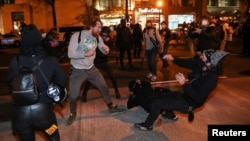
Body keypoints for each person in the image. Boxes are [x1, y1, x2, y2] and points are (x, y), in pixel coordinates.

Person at [134, 49, 229, 131]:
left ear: (210, 62)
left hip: (189, 103)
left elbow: (198, 98)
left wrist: (184, 84)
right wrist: (173, 58)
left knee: (157, 104)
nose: (201, 57)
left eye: (203, 57)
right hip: (185, 95)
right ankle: (171, 115)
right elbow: (188, 63)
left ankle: (147, 126)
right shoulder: (203, 66)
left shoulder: (211, 78)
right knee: (162, 96)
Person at [7, 24, 67, 140]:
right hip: (44, 114)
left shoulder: (15, 61)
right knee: (53, 136)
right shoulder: (50, 60)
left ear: (22, 41)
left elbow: (10, 83)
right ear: (40, 40)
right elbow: (62, 82)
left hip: (21, 114)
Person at [67, 18, 125, 125]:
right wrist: (85, 54)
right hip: (77, 71)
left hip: (91, 68)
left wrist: (106, 49)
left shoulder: (96, 37)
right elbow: (70, 54)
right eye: (98, 27)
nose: (100, 29)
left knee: (104, 87)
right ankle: (72, 113)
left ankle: (111, 107)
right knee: (73, 95)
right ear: (91, 26)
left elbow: (102, 47)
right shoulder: (77, 36)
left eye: (101, 27)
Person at [81, 26, 121, 102]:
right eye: (103, 35)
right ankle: (84, 95)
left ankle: (117, 91)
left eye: (106, 35)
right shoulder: (96, 39)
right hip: (95, 62)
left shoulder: (108, 40)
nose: (104, 36)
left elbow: (110, 49)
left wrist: (107, 43)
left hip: (103, 62)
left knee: (112, 76)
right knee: (90, 79)